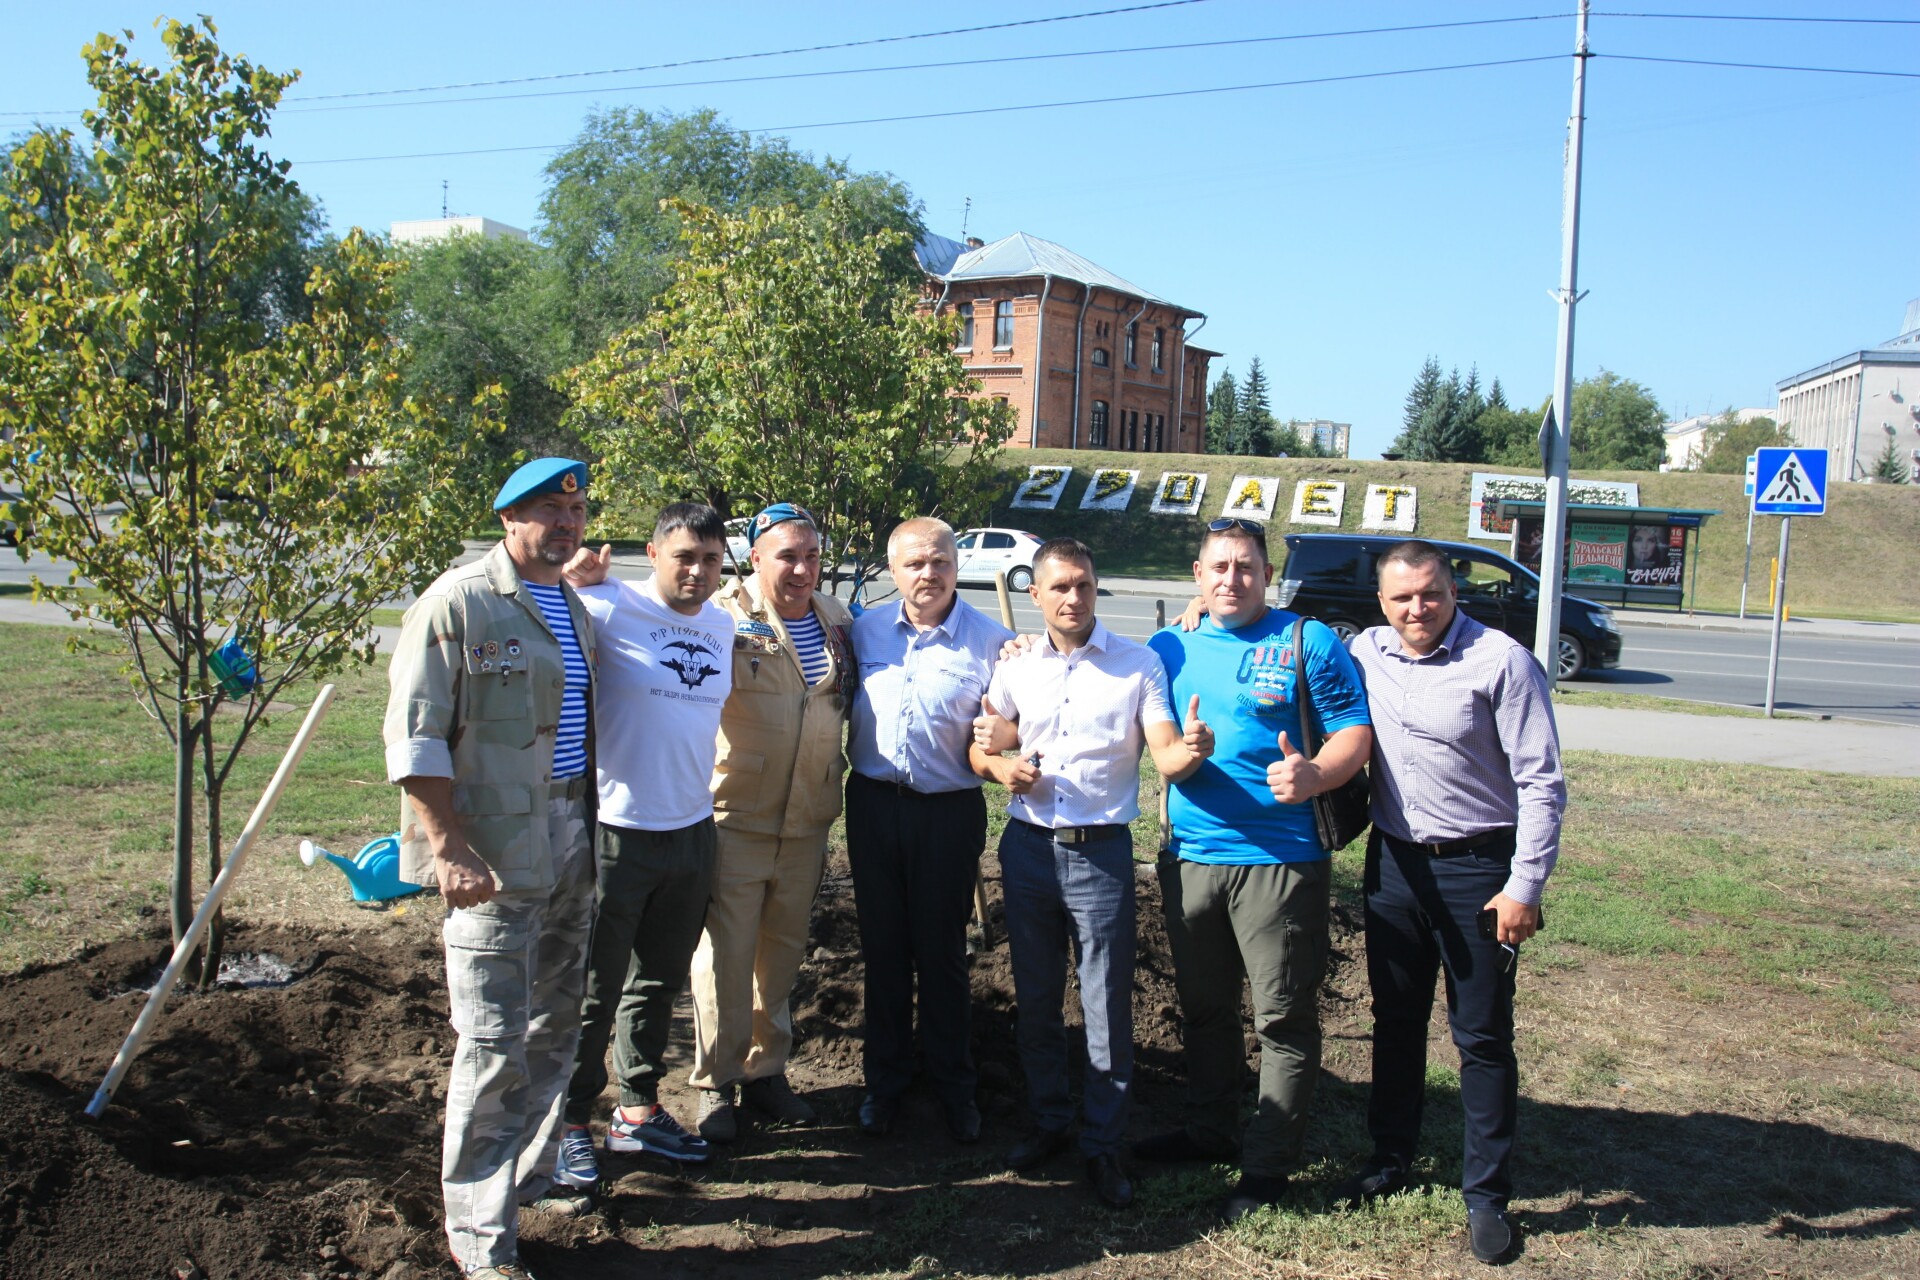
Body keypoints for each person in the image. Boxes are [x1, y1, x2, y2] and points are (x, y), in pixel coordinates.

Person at [383, 457, 598, 1280]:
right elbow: (415, 738)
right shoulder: (459, 602)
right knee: (491, 1041)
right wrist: (446, 847)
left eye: (576, 512)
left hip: (570, 837)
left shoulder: (570, 604)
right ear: (509, 517)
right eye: (549, 511)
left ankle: (529, 1179)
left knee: (555, 1024)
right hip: (492, 856)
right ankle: (480, 1239)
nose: (567, 524)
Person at [1335, 539, 1565, 1267]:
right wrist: (1194, 611)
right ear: (1381, 602)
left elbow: (1541, 783)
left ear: (1453, 591)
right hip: (1394, 866)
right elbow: (1290, 641)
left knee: (1482, 1036)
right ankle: (1390, 1155)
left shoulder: (1501, 662)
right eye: (1402, 597)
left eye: (1430, 592)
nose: (1418, 608)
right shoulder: (1365, 651)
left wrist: (1524, 886)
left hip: (1479, 869)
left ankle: (1486, 1195)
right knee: (1395, 1020)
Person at [1138, 518, 1373, 1221]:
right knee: (1205, 1008)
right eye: (1219, 567)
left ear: (1268, 575)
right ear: (1197, 574)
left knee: (1282, 1017)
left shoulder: (1307, 640)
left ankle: (1268, 1166)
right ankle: (1209, 1130)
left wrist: (1316, 774)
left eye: (1246, 567)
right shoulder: (1168, 646)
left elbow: (1354, 729)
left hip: (1280, 861)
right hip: (1190, 860)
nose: (1231, 579)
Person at [967, 537, 1212, 1209]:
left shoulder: (1138, 665)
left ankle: (1103, 1144)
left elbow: (1165, 753)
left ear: (1096, 587)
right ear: (1036, 594)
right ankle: (1050, 1121)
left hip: (1100, 854)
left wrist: (1192, 751)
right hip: (1027, 849)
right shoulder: (1016, 665)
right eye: (1059, 587)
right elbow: (986, 745)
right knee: (1037, 997)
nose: (1073, 597)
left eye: (1083, 584)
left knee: (1106, 1004)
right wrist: (1001, 767)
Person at [553, 503, 733, 1185]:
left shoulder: (721, 623)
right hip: (615, 831)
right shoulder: (605, 605)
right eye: (684, 556)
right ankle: (569, 1123)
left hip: (690, 831)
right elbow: (536, 621)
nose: (697, 572)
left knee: (657, 982)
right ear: (653, 553)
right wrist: (569, 579)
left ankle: (636, 1111)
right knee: (593, 990)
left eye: (711, 560)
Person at [686, 503, 855, 1141]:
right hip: (738, 815)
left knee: (782, 954)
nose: (802, 569)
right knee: (725, 958)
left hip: (808, 818)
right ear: (755, 557)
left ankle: (765, 1072)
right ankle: (714, 1082)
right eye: (787, 556)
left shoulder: (837, 619)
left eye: (812, 556)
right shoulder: (721, 616)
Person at [846, 516, 1013, 1143]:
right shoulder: (861, 631)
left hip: (947, 813)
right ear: (893, 569)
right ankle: (884, 1083)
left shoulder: (995, 644)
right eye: (914, 563)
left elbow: (1015, 721)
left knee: (942, 953)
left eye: (940, 561)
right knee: (883, 949)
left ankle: (954, 1086)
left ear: (956, 564)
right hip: (872, 807)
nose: (928, 574)